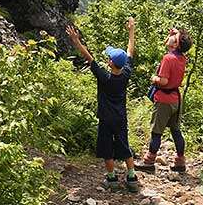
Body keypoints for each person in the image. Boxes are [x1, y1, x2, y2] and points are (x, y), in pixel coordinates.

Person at [66, 18, 138, 192]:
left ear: (110, 63)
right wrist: (131, 30)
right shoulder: (126, 72)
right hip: (121, 118)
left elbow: (89, 58)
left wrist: (76, 41)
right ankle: (132, 177)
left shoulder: (104, 77)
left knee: (107, 149)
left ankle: (112, 179)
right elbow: (130, 50)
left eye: (108, 57)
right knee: (124, 145)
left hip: (106, 119)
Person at [135, 27, 192, 173]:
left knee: (156, 131)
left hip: (164, 100)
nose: (173, 37)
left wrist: (155, 78)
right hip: (175, 100)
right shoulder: (181, 57)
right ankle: (180, 162)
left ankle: (149, 161)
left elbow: (164, 81)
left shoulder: (168, 58)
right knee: (176, 131)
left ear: (177, 44)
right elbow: (169, 45)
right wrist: (173, 35)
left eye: (176, 36)